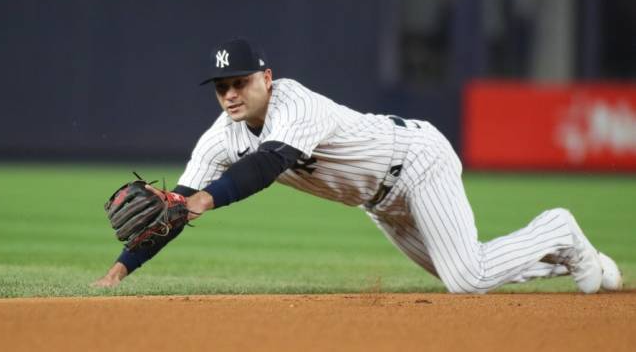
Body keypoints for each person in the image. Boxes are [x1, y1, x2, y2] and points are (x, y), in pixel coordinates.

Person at [94, 38, 623, 294]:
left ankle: (557, 225)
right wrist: (121, 269)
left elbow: (267, 164)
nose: (230, 94)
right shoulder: (218, 138)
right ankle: (568, 253)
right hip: (377, 199)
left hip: (415, 159)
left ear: (266, 78)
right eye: (222, 87)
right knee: (464, 269)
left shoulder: (295, 104)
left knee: (467, 279)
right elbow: (174, 210)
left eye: (240, 82)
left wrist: (206, 199)